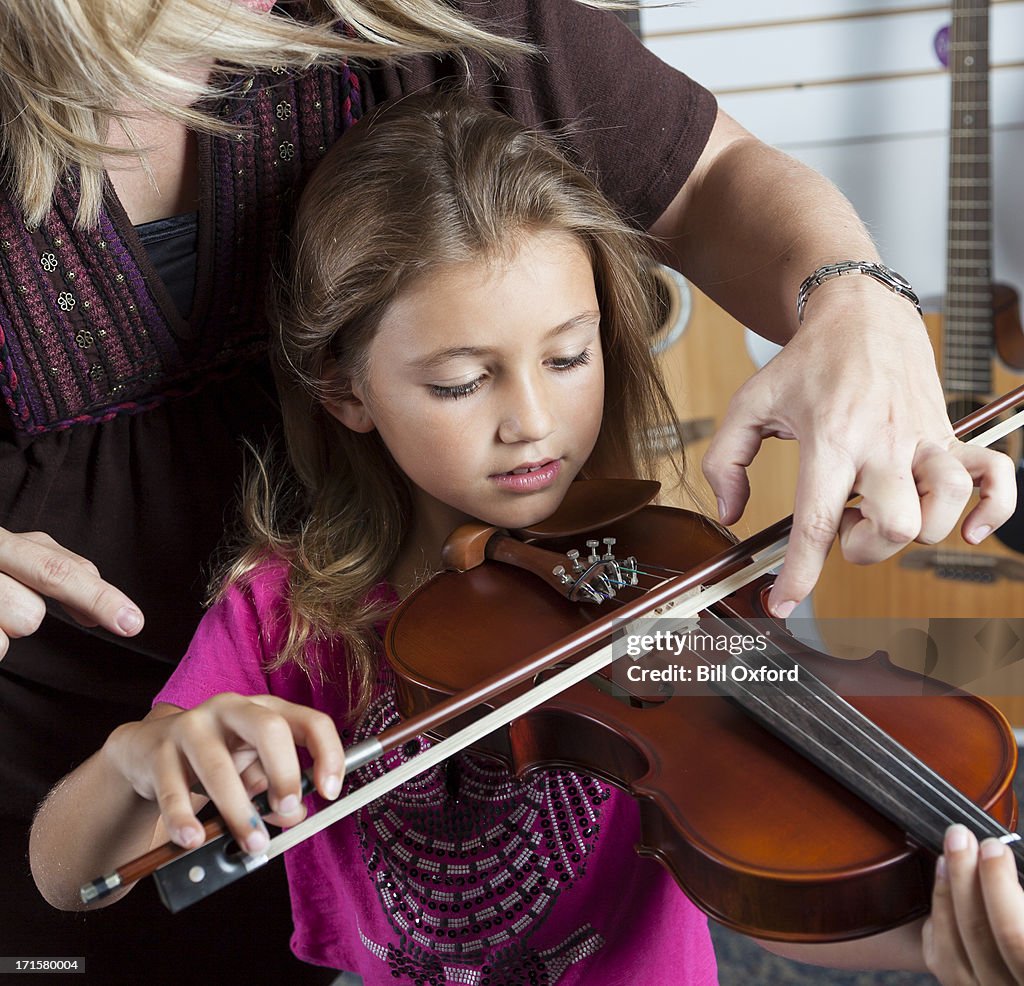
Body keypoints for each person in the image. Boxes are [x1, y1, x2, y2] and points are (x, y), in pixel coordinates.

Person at [1, 0, 1016, 982]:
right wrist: (143, 756)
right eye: (459, 381)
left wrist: (940, 933)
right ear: (343, 389)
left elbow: (772, 862)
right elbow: (68, 874)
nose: (530, 420)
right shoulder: (281, 617)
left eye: (570, 357)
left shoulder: (660, 574)